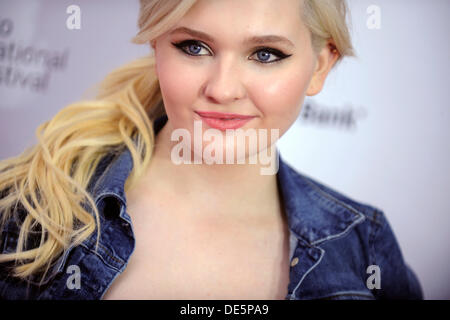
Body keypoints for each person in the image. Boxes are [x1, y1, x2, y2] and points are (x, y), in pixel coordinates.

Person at [0, 0, 422, 300]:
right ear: (157, 46)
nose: (222, 89)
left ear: (321, 64)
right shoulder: (27, 212)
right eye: (194, 47)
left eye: (265, 54)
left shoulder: (363, 244)